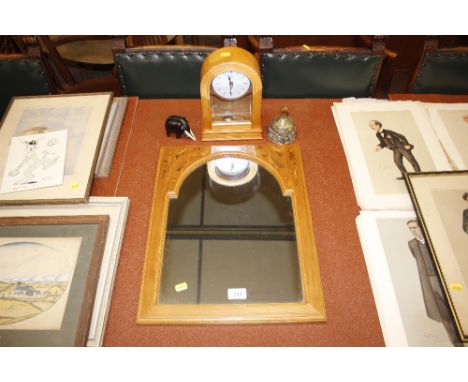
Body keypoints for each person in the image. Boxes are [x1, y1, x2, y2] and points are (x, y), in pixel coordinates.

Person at [407, 219, 459, 343]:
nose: (412, 231)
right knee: (443, 313)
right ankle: (456, 343)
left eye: (415, 227)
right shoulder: (412, 244)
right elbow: (417, 258)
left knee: (455, 308)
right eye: (410, 228)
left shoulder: (432, 239)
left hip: (444, 279)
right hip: (430, 281)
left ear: (421, 227)